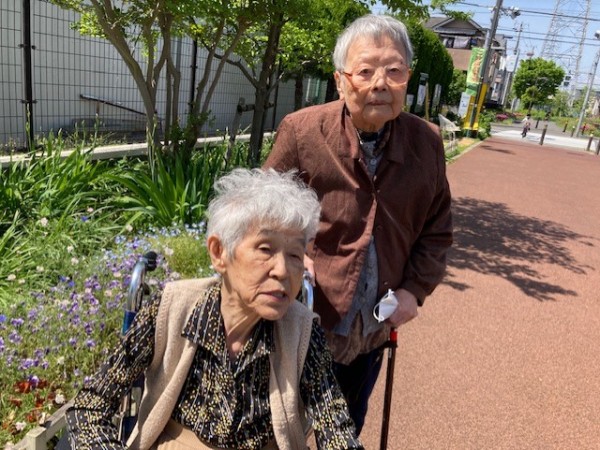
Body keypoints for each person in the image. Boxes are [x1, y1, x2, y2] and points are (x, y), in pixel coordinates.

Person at [66, 168, 364, 450]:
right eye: (265, 249)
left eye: (295, 255)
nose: (283, 270)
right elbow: (89, 406)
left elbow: (335, 427)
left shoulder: (303, 334)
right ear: (219, 253)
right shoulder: (171, 310)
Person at [263, 14, 453, 434]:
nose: (380, 83)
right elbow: (263, 211)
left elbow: (437, 230)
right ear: (340, 80)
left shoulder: (427, 143)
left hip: (373, 327)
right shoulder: (303, 131)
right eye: (365, 71)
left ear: (408, 78)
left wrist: (414, 290)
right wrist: (291, 256)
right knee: (281, 426)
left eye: (394, 70)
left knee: (346, 428)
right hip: (303, 319)